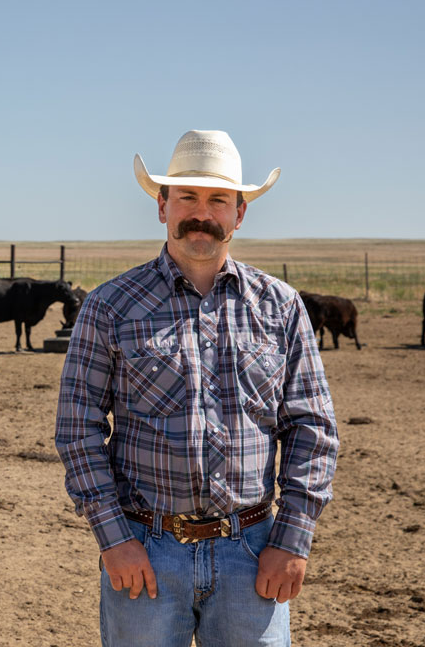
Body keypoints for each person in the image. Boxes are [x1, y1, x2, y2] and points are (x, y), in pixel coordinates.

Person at [55, 130, 338, 646]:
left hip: (253, 549)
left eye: (218, 200)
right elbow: (78, 431)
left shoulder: (279, 307)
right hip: (145, 548)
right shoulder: (110, 306)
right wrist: (114, 539)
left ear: (239, 213)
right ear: (161, 206)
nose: (201, 213)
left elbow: (312, 428)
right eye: (186, 196)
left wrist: (293, 539)